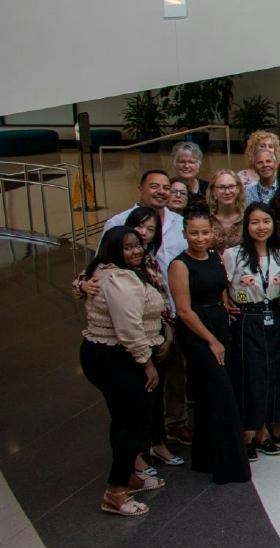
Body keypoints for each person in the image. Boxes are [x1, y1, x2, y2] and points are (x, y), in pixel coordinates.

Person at [81, 227, 166, 516]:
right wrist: (147, 362)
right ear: (114, 249)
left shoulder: (106, 271)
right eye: (127, 247)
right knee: (137, 421)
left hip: (111, 355)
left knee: (122, 418)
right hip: (119, 357)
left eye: (138, 246)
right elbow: (128, 328)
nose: (135, 251)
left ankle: (127, 474)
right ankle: (115, 492)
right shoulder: (119, 279)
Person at [168, 209, 251, 484]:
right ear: (184, 234)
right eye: (194, 232)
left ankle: (205, 458)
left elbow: (219, 287)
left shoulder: (214, 257)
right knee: (221, 395)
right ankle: (228, 466)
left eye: (205, 232)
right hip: (198, 332)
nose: (200, 237)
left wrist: (226, 302)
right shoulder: (180, 265)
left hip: (218, 323)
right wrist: (211, 340)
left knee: (207, 397)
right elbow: (184, 310)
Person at [224, 204, 280, 463]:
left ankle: (264, 432)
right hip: (246, 318)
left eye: (266, 221)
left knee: (272, 373)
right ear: (246, 225)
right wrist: (226, 307)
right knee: (249, 374)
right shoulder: (234, 254)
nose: (261, 227)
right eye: (254, 222)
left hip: (273, 317)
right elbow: (223, 285)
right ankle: (247, 433)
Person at [206, 169, 245, 252]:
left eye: (231, 186)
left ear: (238, 189)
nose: (227, 192)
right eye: (222, 187)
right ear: (213, 191)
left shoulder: (248, 219)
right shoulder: (206, 219)